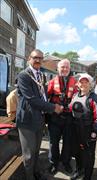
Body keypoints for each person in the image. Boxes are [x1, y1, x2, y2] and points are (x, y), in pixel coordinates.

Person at [16, 49, 63, 180]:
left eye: (40, 58)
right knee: (29, 154)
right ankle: (29, 177)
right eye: (35, 57)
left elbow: (43, 95)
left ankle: (35, 173)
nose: (38, 60)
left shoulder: (41, 75)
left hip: (39, 119)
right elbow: (31, 99)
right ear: (29, 58)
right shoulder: (24, 75)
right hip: (27, 120)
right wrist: (53, 107)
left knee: (36, 151)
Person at [69, 73, 97, 180]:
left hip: (88, 130)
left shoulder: (94, 98)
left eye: (86, 82)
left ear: (90, 84)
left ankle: (87, 176)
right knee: (77, 152)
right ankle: (79, 170)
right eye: (81, 82)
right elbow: (70, 108)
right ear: (78, 84)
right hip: (76, 129)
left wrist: (95, 132)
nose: (83, 84)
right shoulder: (75, 95)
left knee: (88, 155)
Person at [47, 59, 77, 175]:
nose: (64, 69)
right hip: (55, 117)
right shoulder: (51, 82)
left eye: (67, 67)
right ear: (58, 69)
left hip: (69, 117)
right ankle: (53, 163)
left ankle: (66, 162)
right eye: (62, 67)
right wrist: (53, 108)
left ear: (69, 69)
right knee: (53, 142)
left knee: (68, 142)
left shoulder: (75, 82)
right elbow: (46, 99)